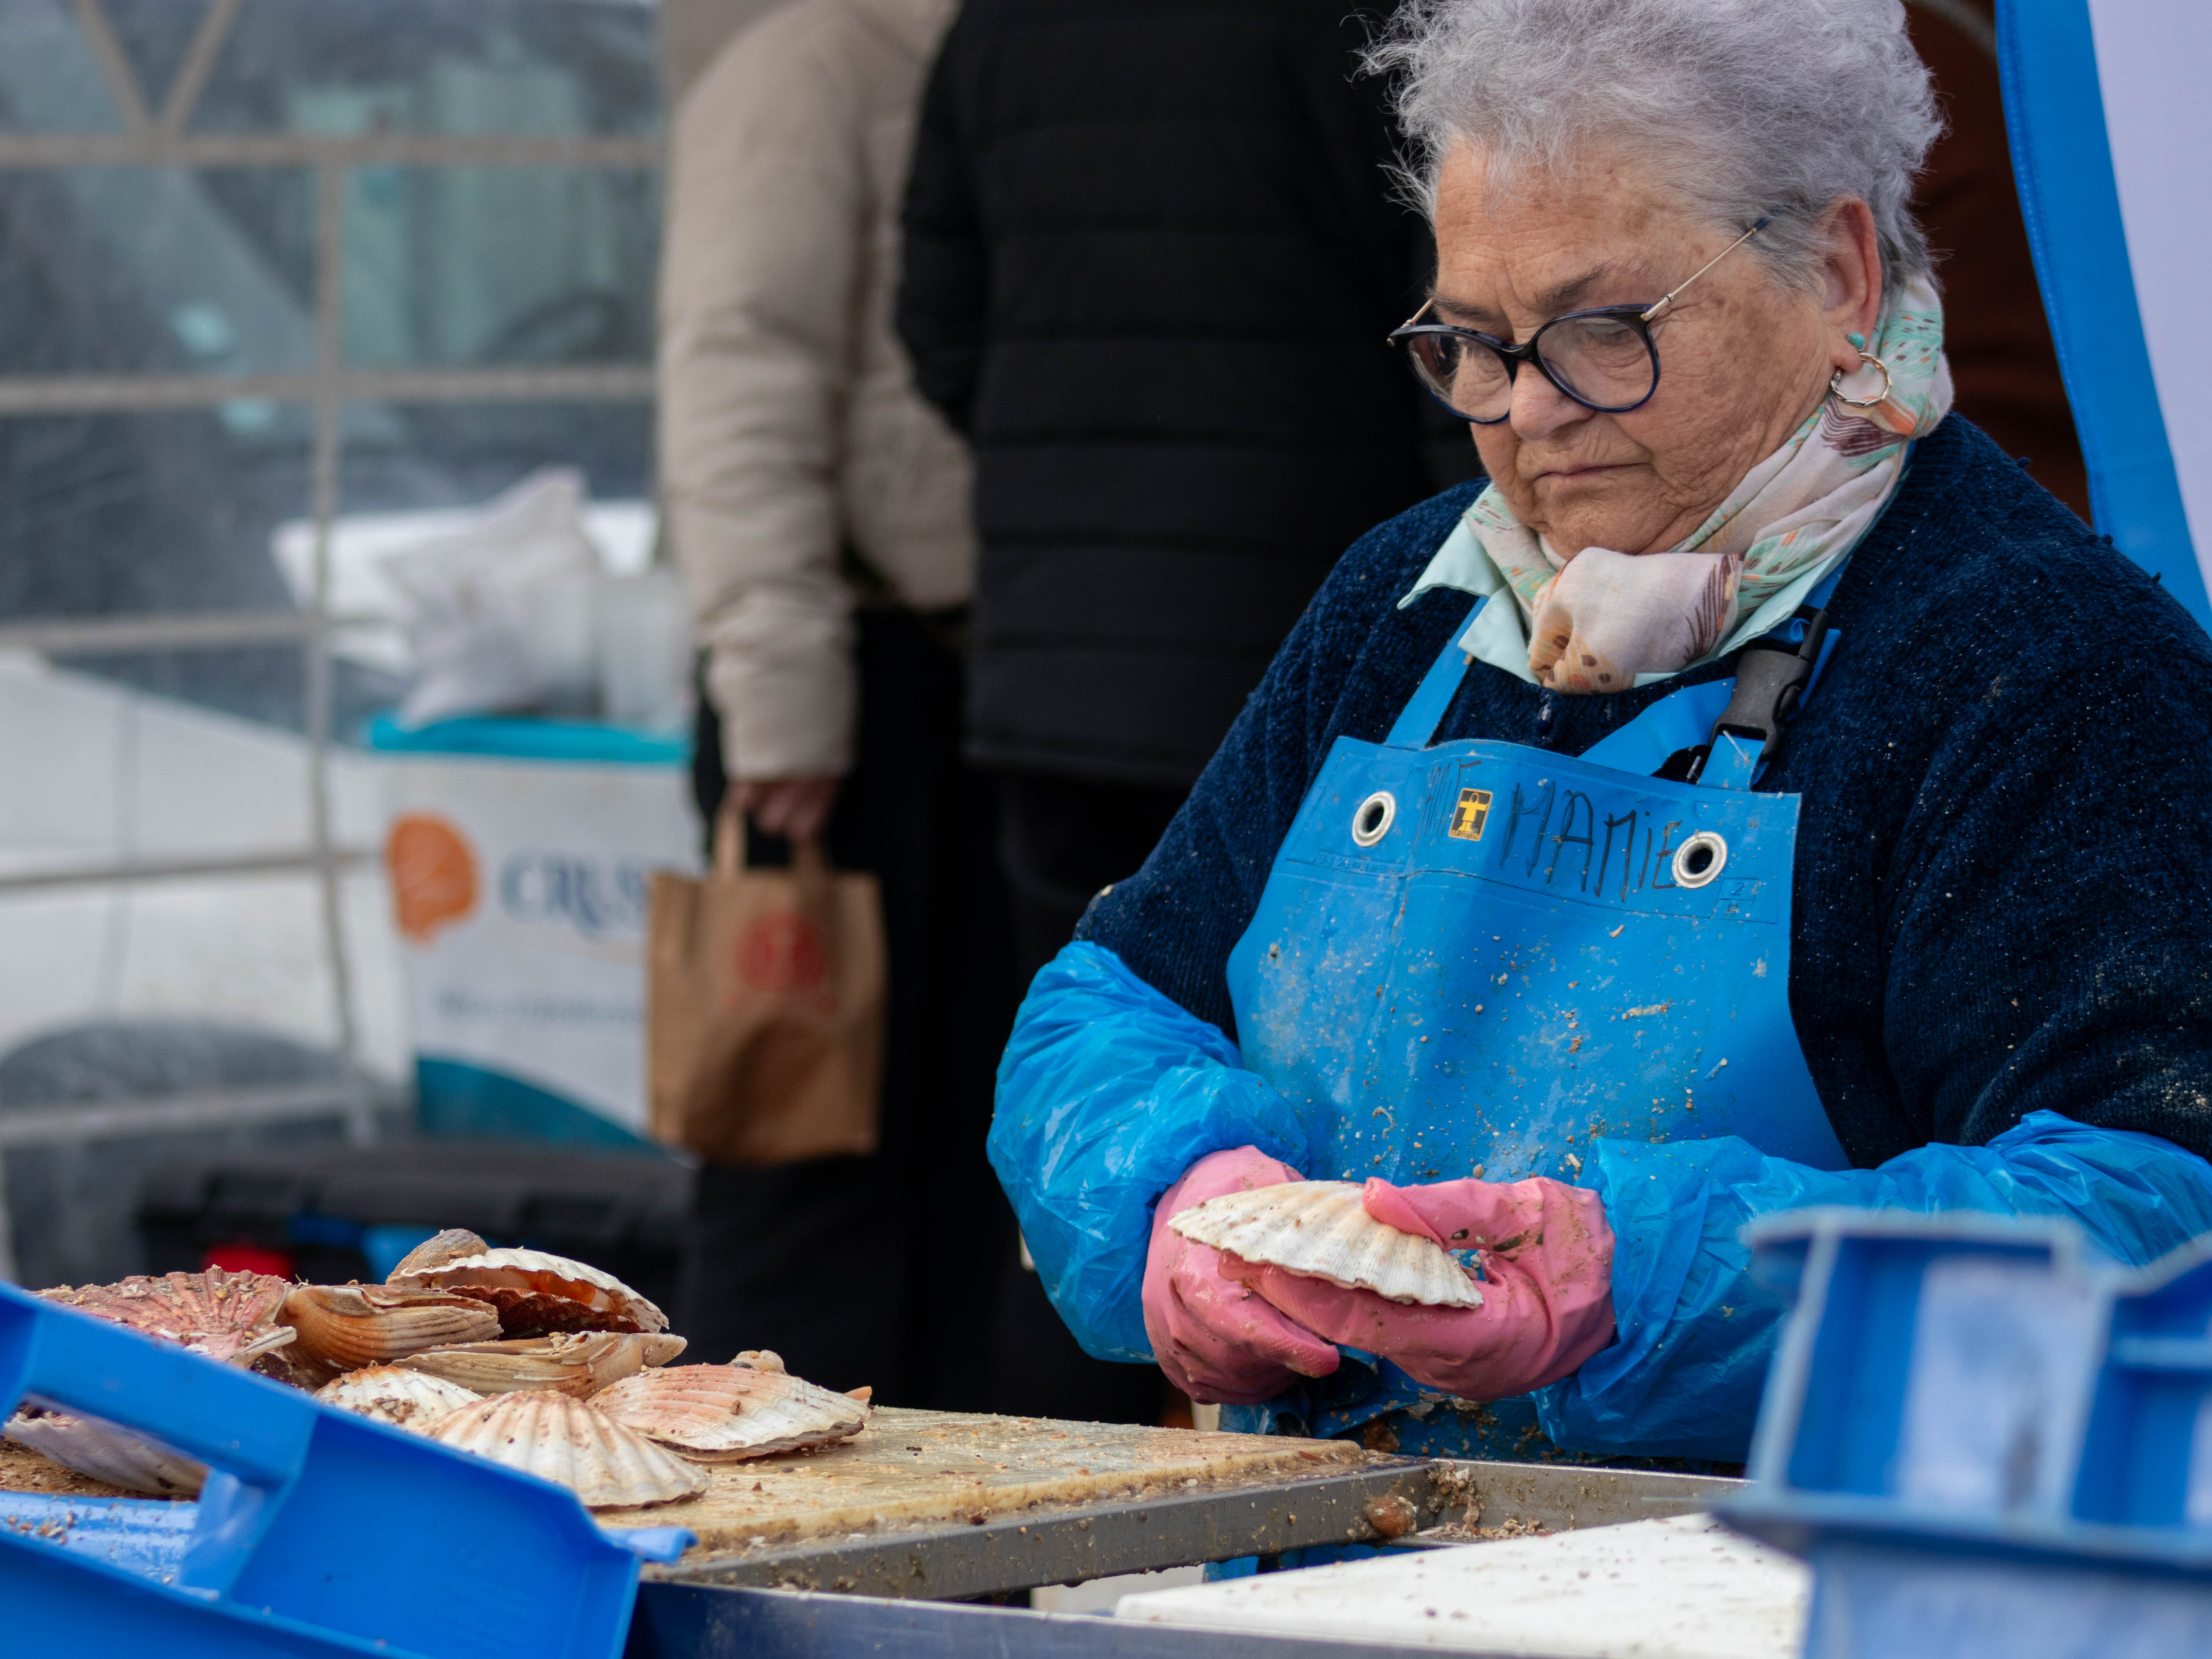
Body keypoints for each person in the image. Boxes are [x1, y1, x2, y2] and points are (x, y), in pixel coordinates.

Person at [989, 0, 2212, 1466]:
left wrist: (1639, 1284)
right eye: (1472, 343)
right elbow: (1112, 1004)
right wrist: (1165, 1198)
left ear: (1835, 271)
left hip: (1771, 1565)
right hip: (1322, 1548)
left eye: (1599, 332)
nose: (1525, 413)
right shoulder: (1410, 597)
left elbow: (2147, 1219)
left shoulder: (2035, 654)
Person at [897, 0, 1464, 1423]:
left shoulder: (997, 26)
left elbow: (934, 326)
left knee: (1090, 1156)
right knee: (1331, 1134)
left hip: (1055, 657)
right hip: (1292, 649)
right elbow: (1450, 328)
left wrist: (1063, 468)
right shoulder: (1356, 22)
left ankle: (1060, 1504)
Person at [659, 0, 1013, 1407]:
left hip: (973, 677)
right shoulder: (809, 66)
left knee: (961, 1165)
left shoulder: (977, 53)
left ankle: (940, 1496)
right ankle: (756, 1484)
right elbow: (737, 379)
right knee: (805, 1156)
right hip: (842, 689)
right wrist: (780, 694)